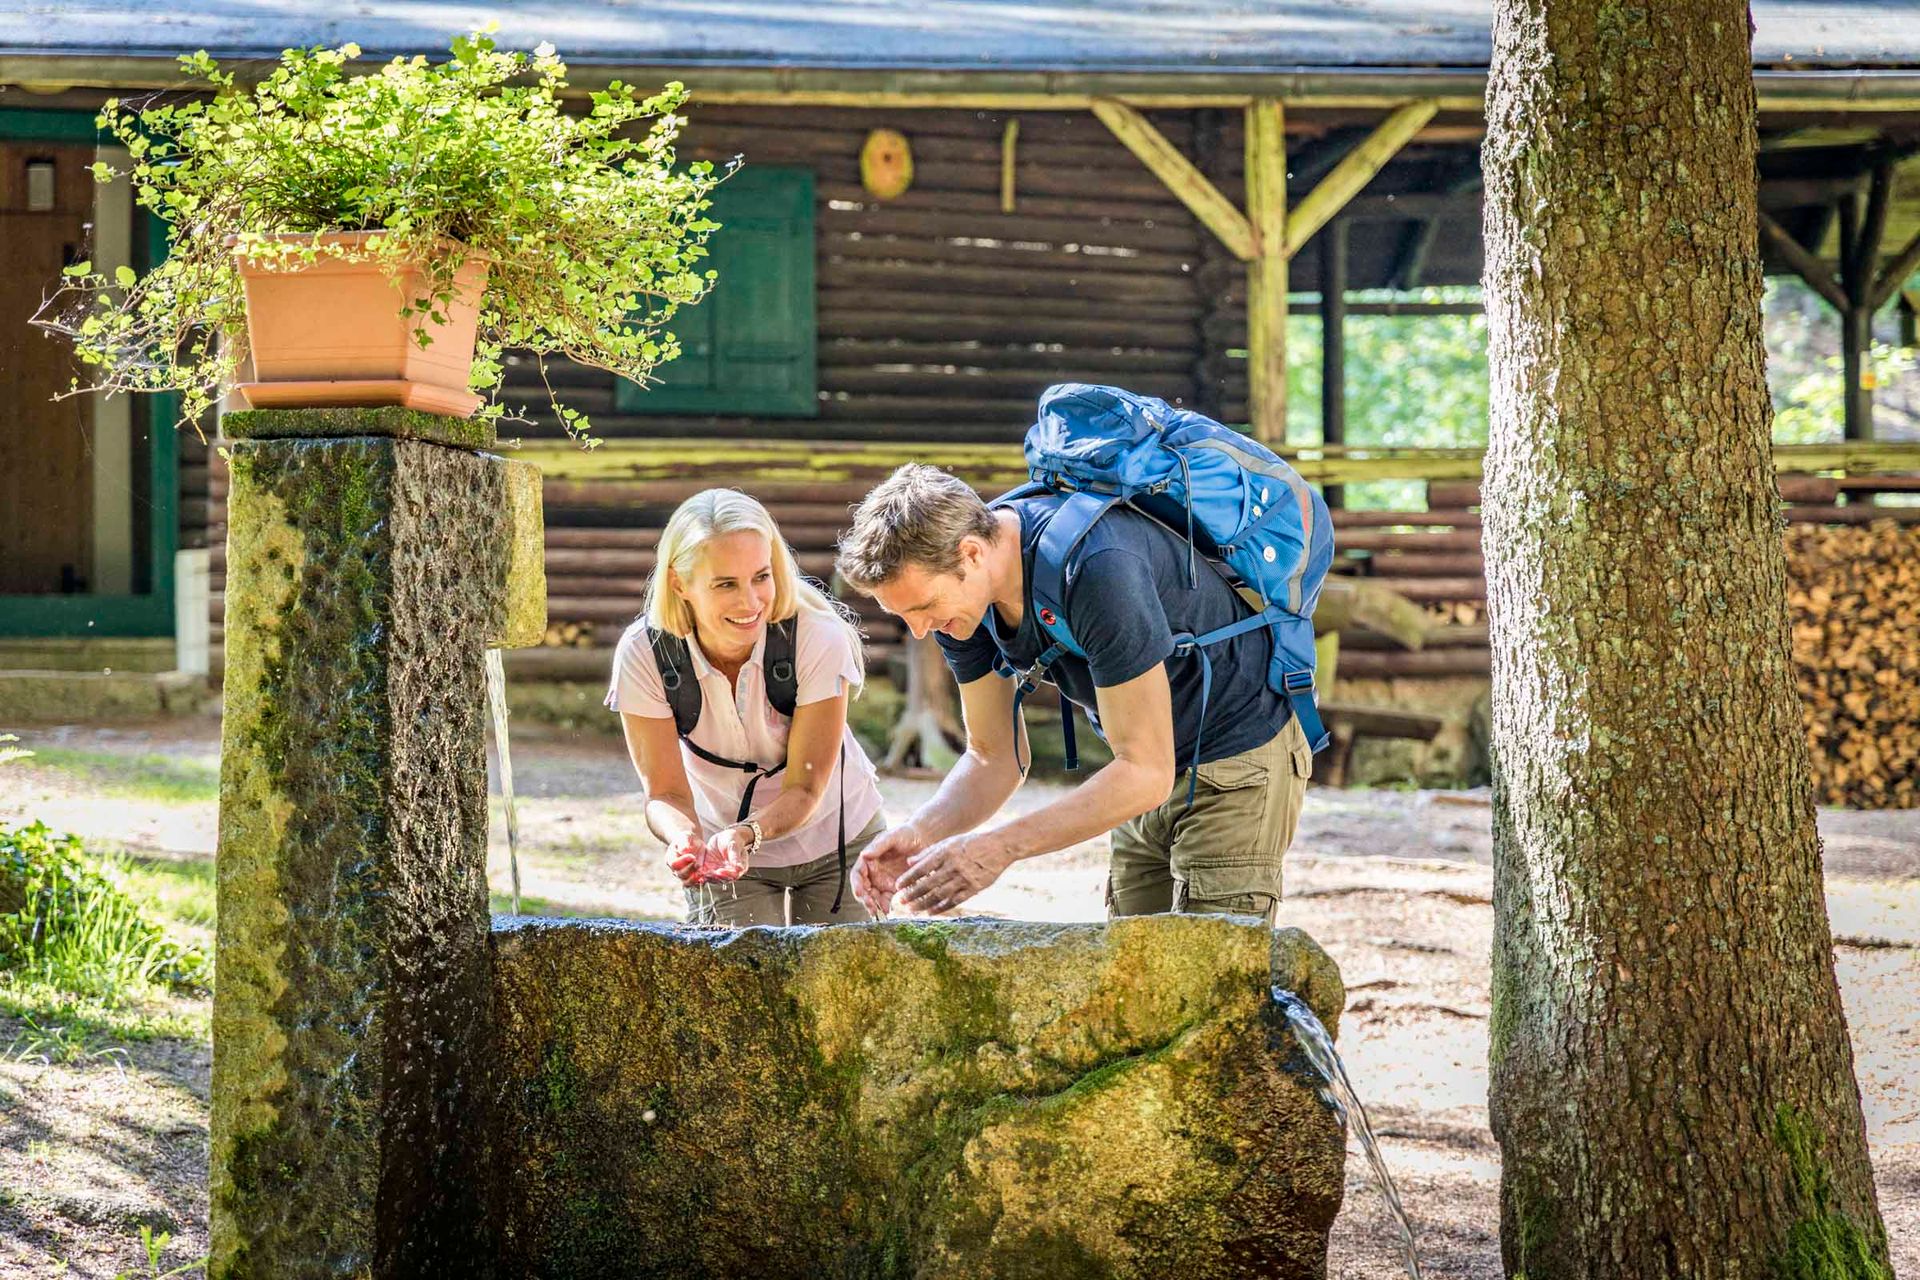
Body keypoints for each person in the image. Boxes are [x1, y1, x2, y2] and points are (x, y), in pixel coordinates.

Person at [835, 463, 1313, 922]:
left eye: (923, 607)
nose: (919, 631)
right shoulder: (961, 606)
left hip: (1239, 748)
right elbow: (993, 758)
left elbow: (1146, 772)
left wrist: (999, 848)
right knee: (1132, 971)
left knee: (1213, 977)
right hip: (1141, 769)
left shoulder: (1096, 567)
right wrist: (919, 833)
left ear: (972, 554)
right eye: (904, 616)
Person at [608, 488, 885, 926]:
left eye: (761, 576)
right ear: (680, 584)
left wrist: (748, 833)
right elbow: (665, 794)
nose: (750, 602)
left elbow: (806, 790)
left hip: (839, 833)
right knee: (741, 986)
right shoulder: (645, 654)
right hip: (721, 847)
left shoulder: (817, 636)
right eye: (725, 584)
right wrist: (684, 837)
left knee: (843, 990)